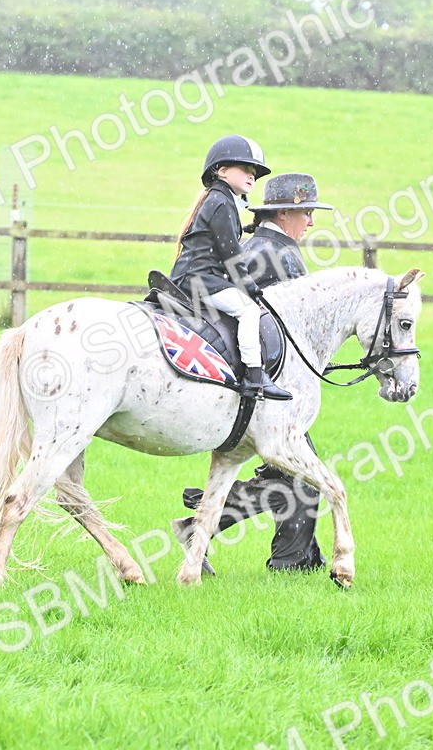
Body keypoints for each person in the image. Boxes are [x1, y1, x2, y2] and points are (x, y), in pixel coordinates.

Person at [173, 172, 333, 573]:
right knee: (301, 478)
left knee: (289, 479)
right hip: (266, 391)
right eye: (307, 213)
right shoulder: (278, 255)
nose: (311, 222)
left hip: (257, 387)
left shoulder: (257, 246)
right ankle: (290, 564)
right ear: (285, 212)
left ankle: (207, 527)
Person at [170, 135, 292, 401]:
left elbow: (224, 242)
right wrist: (251, 289)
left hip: (196, 277)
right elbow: (231, 256)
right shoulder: (222, 203)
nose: (251, 177)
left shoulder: (219, 200)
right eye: (245, 170)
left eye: (254, 174)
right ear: (221, 170)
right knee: (248, 310)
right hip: (200, 280)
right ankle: (254, 377)